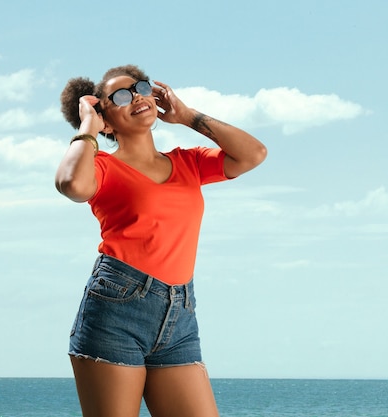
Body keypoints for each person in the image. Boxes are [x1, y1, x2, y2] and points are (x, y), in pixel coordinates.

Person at [55, 64, 267, 417]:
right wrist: (88, 127)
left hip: (180, 315)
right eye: (120, 96)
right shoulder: (103, 167)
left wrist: (187, 116)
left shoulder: (189, 162)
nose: (136, 95)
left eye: (140, 86)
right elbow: (71, 184)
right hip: (116, 310)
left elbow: (253, 154)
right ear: (105, 119)